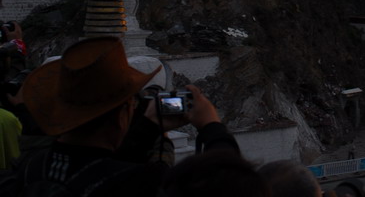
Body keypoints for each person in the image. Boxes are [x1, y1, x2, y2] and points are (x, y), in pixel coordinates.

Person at [7, 36, 238, 196]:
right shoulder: (141, 182)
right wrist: (211, 126)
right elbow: (234, 187)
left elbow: (97, 164)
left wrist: (146, 129)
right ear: (121, 117)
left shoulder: (32, 168)